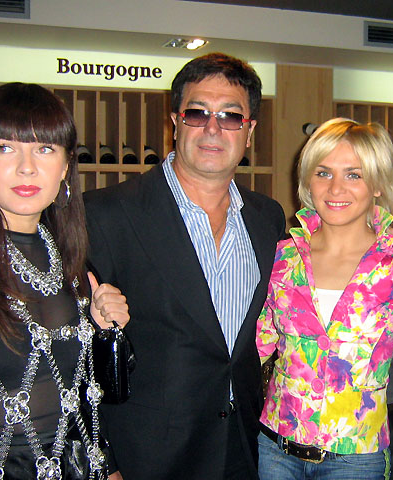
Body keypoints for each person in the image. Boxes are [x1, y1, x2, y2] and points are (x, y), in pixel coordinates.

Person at [83, 53, 286, 479]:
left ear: (250, 132)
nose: (213, 128)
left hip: (243, 450)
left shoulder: (268, 218)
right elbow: (75, 356)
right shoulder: (105, 214)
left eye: (231, 116)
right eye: (197, 113)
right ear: (175, 122)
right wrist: (105, 463)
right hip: (147, 458)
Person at [0, 82, 130, 480]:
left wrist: (102, 330)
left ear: (65, 166)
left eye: (45, 149)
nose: (27, 167)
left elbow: (79, 398)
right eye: (5, 147)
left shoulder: (68, 258)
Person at [256, 118, 393, 479]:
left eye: (354, 174)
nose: (335, 188)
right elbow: (254, 346)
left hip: (356, 459)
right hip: (275, 449)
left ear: (377, 184)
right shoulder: (282, 258)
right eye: (323, 173)